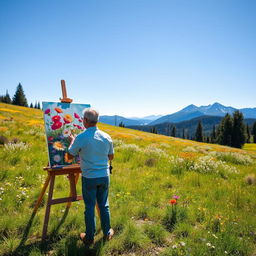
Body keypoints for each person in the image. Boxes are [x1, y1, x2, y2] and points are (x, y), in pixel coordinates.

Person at [68, 108, 114, 244]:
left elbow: (69, 156)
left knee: (89, 207)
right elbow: (111, 156)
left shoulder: (81, 137)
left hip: (89, 177)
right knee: (104, 205)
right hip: (104, 176)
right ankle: (107, 233)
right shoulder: (106, 136)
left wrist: (72, 141)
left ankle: (89, 237)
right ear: (97, 121)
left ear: (86, 120)